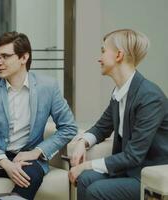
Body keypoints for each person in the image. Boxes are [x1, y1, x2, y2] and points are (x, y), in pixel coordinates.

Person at [0, 31, 77, 200]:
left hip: (27, 155)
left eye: (5, 56)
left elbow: (69, 127)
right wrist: (5, 163)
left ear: (24, 58)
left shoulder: (48, 87)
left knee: (31, 175)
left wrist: (38, 152)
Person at [68, 29, 168, 200]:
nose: (99, 58)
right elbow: (101, 128)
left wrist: (87, 165)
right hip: (129, 170)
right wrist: (82, 142)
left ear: (119, 55)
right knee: (84, 180)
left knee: (95, 190)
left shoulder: (150, 97)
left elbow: (134, 155)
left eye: (103, 51)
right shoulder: (119, 93)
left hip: (148, 175)